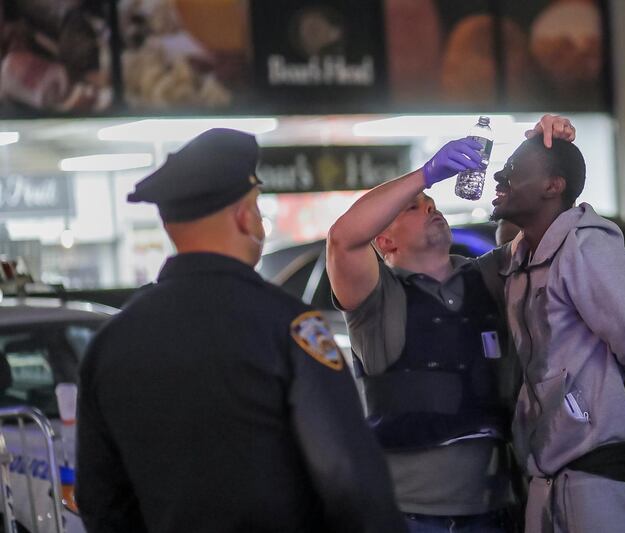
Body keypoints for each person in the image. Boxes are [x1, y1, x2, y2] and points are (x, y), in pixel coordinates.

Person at [76, 128, 405, 533]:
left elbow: (100, 501)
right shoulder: (288, 327)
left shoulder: (112, 341)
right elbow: (350, 479)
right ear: (244, 217)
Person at [326, 116, 575, 533]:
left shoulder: (489, 276)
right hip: (410, 516)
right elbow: (342, 238)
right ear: (384, 241)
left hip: (494, 508)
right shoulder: (376, 297)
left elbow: (538, 221)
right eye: (414, 207)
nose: (430, 206)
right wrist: (426, 174)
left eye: (433, 203)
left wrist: (542, 152)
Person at [488, 134, 625, 533]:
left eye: (512, 170)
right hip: (548, 482)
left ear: (552, 185)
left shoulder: (587, 250)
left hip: (605, 483)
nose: (498, 178)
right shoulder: (520, 259)